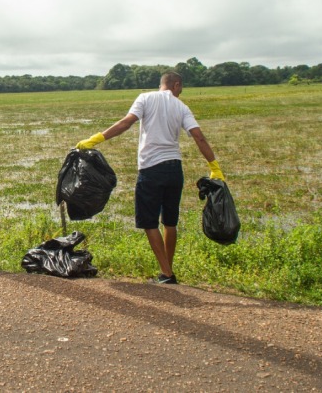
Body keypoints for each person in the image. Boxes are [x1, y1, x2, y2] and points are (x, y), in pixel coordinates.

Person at [75, 71, 225, 284]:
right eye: (181, 89)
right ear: (176, 84)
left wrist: (96, 139)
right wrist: (214, 167)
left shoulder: (145, 98)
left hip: (151, 169)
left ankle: (167, 273)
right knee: (170, 222)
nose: (180, 92)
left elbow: (126, 123)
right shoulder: (181, 107)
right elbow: (198, 136)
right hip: (175, 169)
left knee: (149, 222)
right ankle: (167, 271)